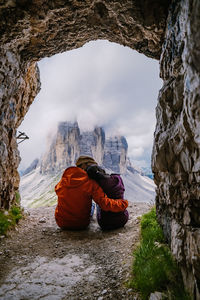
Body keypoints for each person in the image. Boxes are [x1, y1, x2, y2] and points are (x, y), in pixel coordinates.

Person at [55, 155, 128, 230]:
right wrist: (123, 204)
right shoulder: (90, 183)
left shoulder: (64, 179)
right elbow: (104, 204)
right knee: (93, 205)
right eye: (92, 165)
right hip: (80, 224)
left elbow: (57, 189)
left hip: (61, 222)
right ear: (83, 165)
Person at [86, 164, 129, 230]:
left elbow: (103, 203)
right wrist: (124, 203)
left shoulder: (97, 185)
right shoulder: (117, 178)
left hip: (105, 223)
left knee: (97, 203)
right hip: (123, 219)